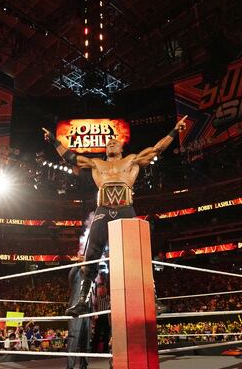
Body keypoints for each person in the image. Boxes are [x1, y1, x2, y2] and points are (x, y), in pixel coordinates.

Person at [43, 115, 188, 317]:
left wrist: (175, 130)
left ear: (121, 148)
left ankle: (152, 301)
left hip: (125, 208)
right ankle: (83, 302)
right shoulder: (96, 163)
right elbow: (71, 158)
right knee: (91, 255)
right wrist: (54, 140)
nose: (111, 143)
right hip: (102, 209)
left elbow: (157, 149)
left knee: (136, 256)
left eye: (114, 142)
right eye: (108, 143)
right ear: (106, 149)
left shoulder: (132, 160)